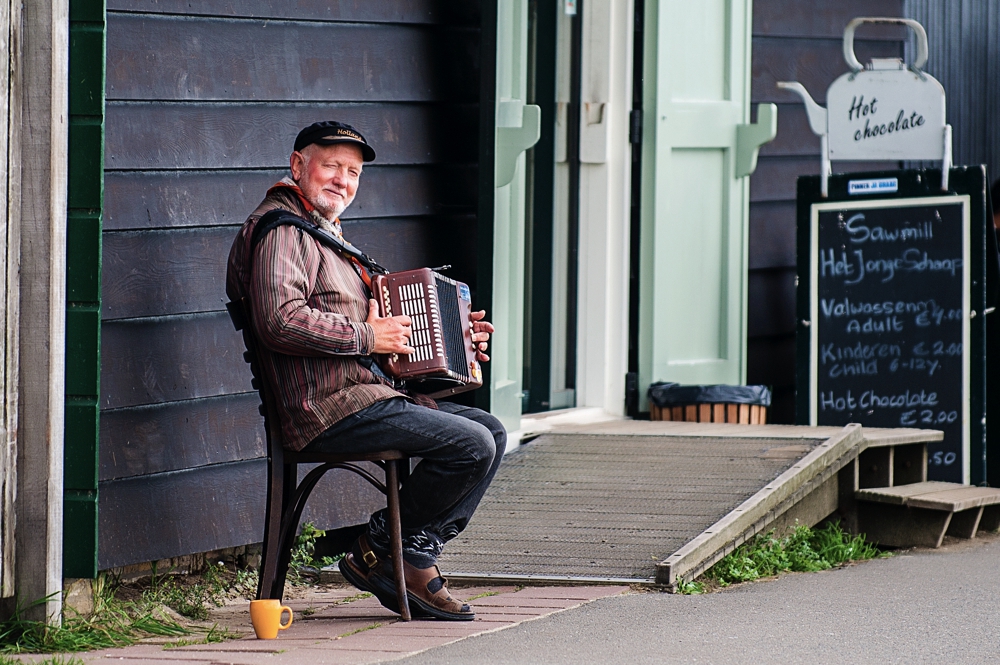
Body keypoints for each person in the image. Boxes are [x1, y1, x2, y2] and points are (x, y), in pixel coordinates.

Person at [226, 121, 505, 621]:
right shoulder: (282, 232)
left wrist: (455, 339)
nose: (342, 180)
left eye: (352, 172)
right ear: (297, 166)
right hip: (323, 408)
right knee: (472, 444)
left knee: (490, 430)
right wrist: (369, 338)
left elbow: (376, 339)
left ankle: (404, 551)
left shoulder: (328, 237)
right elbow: (279, 321)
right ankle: (380, 550)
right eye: (330, 165)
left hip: (364, 395)